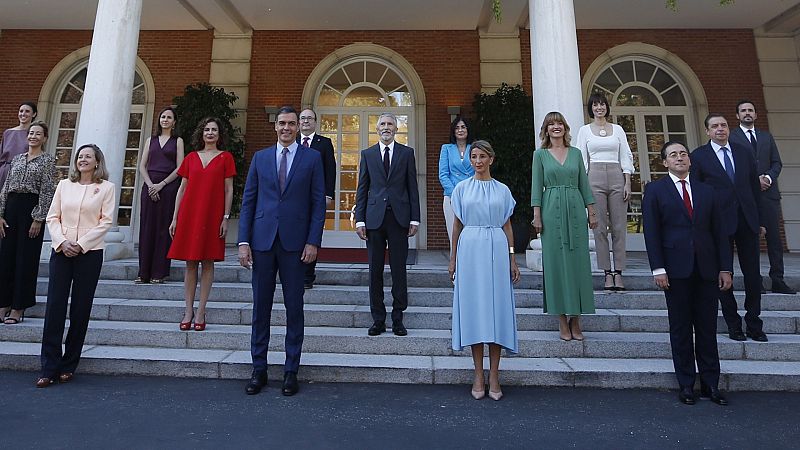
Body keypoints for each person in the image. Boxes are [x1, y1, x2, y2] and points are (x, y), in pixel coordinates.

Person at [238, 105, 326, 396]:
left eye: (291, 124)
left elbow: (317, 204)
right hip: (262, 242)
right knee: (260, 309)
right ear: (275, 127)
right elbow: (249, 201)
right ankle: (258, 369)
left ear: (298, 127)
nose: (286, 128)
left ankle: (291, 370)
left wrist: (313, 241)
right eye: (282, 124)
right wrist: (243, 241)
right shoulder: (261, 158)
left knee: (294, 309)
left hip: (296, 244)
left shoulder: (312, 159)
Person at [643, 141, 733, 406]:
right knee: (681, 329)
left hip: (707, 270)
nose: (679, 158)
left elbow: (720, 233)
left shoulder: (708, 192)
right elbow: (652, 232)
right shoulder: (655, 191)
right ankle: (686, 385)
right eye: (673, 155)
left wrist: (725, 267)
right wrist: (658, 268)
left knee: (707, 329)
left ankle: (710, 385)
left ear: (690, 161)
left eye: (683, 154)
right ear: (665, 162)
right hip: (675, 270)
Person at [37, 144, 115, 388]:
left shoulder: (107, 188)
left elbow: (106, 222)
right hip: (61, 251)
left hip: (89, 253)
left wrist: (81, 244)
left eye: (88, 157)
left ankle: (69, 364)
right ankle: (49, 367)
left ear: (97, 162)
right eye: (80, 157)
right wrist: (62, 242)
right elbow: (52, 217)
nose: (82, 160)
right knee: (55, 308)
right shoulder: (63, 185)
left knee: (80, 309)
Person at [448, 140, 520, 401]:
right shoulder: (462, 189)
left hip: (497, 249)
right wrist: (453, 258)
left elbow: (508, 226)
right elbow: (456, 227)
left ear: (491, 159)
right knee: (476, 311)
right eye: (474, 156)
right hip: (470, 249)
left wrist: (512, 259)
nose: (477, 161)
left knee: (496, 311)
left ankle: (495, 375)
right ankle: (478, 374)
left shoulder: (502, 190)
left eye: (482, 156)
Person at [690, 114, 766, 342]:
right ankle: (733, 324)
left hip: (747, 221)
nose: (720, 129)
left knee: (753, 276)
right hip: (718, 224)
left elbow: (754, 189)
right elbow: (697, 193)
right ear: (707, 132)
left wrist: (760, 221)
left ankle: (754, 323)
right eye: (715, 126)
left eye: (723, 125)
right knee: (724, 275)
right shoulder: (699, 157)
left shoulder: (744, 152)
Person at [531, 111, 598, 341]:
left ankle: (576, 319)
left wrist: (591, 210)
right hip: (551, 211)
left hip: (575, 209)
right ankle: (561, 319)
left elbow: (584, 185)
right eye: (551, 124)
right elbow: (536, 187)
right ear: (546, 129)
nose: (556, 127)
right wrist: (536, 216)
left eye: (559, 123)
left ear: (565, 128)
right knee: (555, 265)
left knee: (579, 264)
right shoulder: (539, 155)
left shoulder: (576, 153)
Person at [354, 112, 421, 337]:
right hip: (373, 220)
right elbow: (362, 188)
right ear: (377, 128)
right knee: (375, 271)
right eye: (382, 124)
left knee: (399, 270)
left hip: (399, 219)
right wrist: (360, 219)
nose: (386, 127)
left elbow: (412, 187)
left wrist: (415, 218)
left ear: (396, 128)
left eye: (390, 124)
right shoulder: (368, 154)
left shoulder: (406, 153)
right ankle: (378, 319)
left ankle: (398, 318)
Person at [168, 117, 235, 332]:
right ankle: (188, 310)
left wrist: (225, 217)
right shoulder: (190, 157)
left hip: (212, 215)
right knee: (189, 263)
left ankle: (201, 311)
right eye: (207, 129)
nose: (210, 133)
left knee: (207, 262)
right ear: (201, 133)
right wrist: (175, 217)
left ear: (219, 135)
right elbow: (182, 189)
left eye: (214, 130)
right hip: (189, 214)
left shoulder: (226, 158)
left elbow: (228, 190)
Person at [729, 100, 794, 294]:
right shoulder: (732, 137)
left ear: (756, 115)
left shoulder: (767, 137)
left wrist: (767, 177)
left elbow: (777, 163)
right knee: (750, 239)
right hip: (746, 197)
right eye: (743, 111)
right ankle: (755, 280)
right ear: (737, 116)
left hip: (768, 195)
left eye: (750, 110)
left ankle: (777, 279)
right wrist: (753, 180)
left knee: (775, 239)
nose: (747, 113)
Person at [575, 93, 634, 290]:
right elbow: (581, 159)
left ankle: (619, 272)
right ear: (591, 109)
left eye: (602, 105)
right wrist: (582, 185)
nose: (599, 108)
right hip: (595, 176)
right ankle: (607, 272)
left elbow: (625, 155)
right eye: (595, 105)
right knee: (599, 227)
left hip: (616, 174)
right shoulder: (584, 131)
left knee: (618, 227)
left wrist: (627, 182)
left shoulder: (617, 129)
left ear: (607, 108)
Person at [0, 121, 56, 324]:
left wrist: (39, 218)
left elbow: (48, 190)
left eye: (38, 133)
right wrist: (0, 214)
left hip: (31, 210)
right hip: (11, 208)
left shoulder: (47, 161)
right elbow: (5, 187)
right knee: (5, 258)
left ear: (44, 138)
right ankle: (3, 303)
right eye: (31, 133)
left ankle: (18, 307)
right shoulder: (17, 159)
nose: (33, 136)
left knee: (26, 260)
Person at [135, 106, 185, 284]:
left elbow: (180, 167)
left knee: (163, 230)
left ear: (174, 122)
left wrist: (162, 185)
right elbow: (142, 165)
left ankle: (159, 272)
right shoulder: (151, 140)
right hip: (149, 187)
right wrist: (151, 186)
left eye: (169, 117)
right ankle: (143, 273)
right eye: (163, 117)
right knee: (147, 228)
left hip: (169, 187)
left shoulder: (177, 141)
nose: (165, 119)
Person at [296, 108, 336, 289]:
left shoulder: (324, 143)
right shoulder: (292, 141)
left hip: (316, 197)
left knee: (312, 235)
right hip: (293, 198)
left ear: (315, 122)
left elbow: (330, 170)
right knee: (294, 235)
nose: (306, 121)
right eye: (303, 118)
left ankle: (307, 277)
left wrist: (329, 194)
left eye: (309, 119)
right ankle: (293, 272)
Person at [438, 116, 475, 246]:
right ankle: (455, 262)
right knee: (454, 234)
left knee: (470, 233)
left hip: (472, 195)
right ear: (453, 131)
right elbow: (443, 174)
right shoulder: (446, 148)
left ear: (468, 130)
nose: (460, 130)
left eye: (463, 127)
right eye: (457, 127)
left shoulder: (474, 148)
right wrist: (455, 193)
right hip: (451, 196)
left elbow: (478, 172)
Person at [1, 102, 38, 190]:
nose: (23, 114)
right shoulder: (8, 133)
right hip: (4, 172)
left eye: (27, 111)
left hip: (23, 174)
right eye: (21, 111)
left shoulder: (34, 135)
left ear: (34, 114)